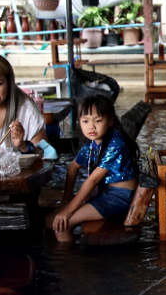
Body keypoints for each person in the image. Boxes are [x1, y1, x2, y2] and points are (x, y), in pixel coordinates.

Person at [46, 95, 140, 242]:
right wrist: (66, 200)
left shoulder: (116, 143)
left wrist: (68, 210)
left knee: (63, 224)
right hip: (106, 193)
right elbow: (72, 168)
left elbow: (93, 180)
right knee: (49, 220)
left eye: (98, 120)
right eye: (85, 121)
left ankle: (69, 262)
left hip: (120, 197)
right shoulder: (91, 144)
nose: (91, 126)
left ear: (110, 121)